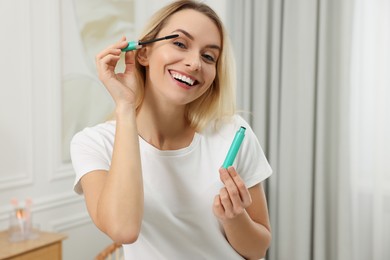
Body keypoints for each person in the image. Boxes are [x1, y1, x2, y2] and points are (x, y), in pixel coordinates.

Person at [71, 0, 272, 259]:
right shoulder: (93, 144)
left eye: (208, 56)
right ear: (143, 53)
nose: (194, 63)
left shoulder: (233, 134)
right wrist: (125, 106)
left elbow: (257, 250)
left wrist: (234, 219)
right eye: (179, 43)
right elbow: (123, 230)